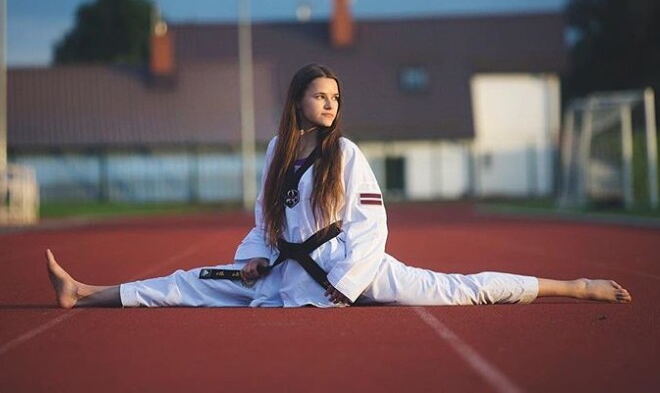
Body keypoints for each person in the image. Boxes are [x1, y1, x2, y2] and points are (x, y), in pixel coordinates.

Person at [46, 64, 632, 309]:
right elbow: (263, 220)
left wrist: (341, 291)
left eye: (335, 97)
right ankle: (82, 291)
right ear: (298, 100)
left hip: (355, 271)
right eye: (321, 95)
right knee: (190, 284)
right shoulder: (278, 151)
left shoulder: (346, 155)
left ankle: (576, 287)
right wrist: (253, 261)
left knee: (460, 289)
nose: (331, 104)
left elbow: (371, 230)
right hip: (283, 270)